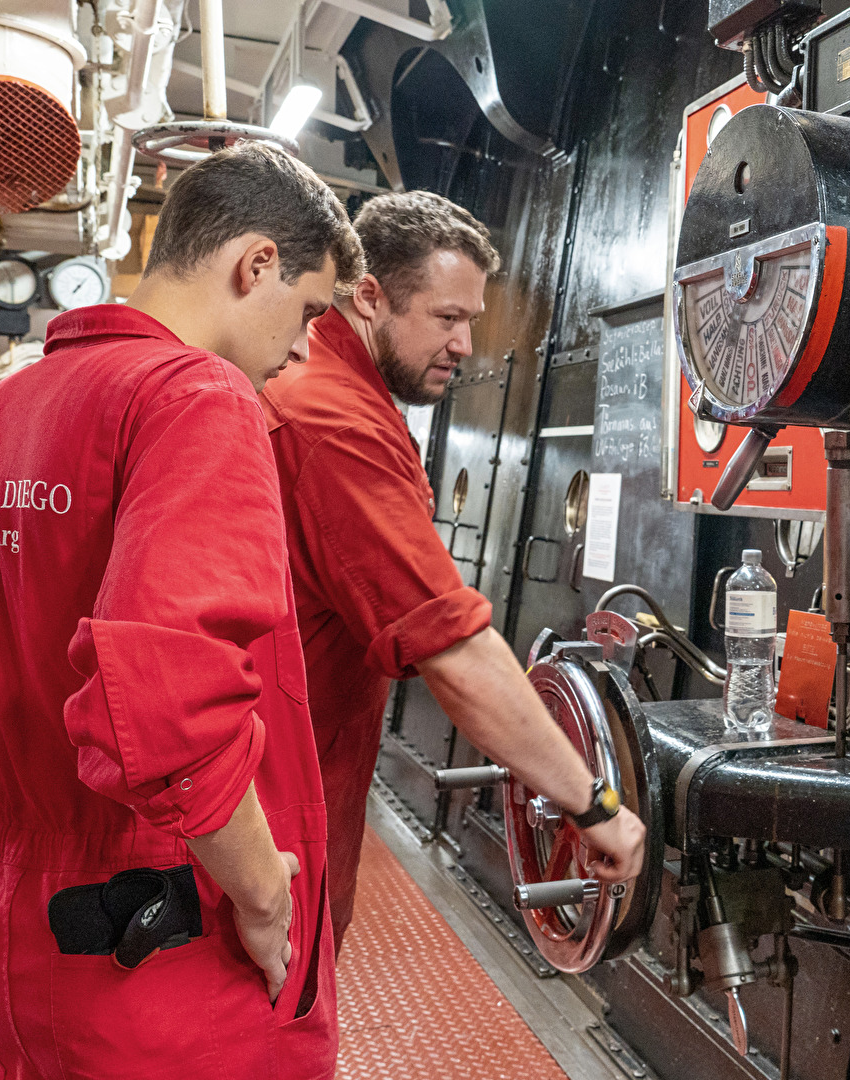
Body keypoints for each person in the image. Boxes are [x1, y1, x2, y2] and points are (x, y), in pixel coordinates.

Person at [0, 143, 362, 1079]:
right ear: (255, 264)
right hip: (169, 966)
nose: (304, 349)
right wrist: (262, 898)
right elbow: (168, 705)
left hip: (19, 953)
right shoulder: (194, 398)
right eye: (308, 313)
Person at [262, 190, 647, 949]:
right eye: (446, 318)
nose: (468, 344)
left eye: (471, 319)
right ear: (368, 296)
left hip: (290, 792)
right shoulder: (334, 423)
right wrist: (593, 803)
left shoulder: (329, 396)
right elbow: (452, 649)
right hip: (276, 818)